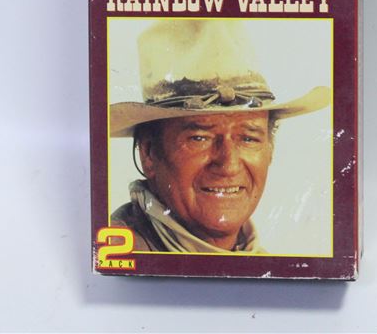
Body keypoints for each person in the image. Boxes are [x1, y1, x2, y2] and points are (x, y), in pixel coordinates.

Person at [109, 19, 331, 253]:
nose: (229, 165)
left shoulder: (262, 259)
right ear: (148, 153)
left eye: (248, 138)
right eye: (199, 138)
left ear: (270, 149)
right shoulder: (121, 254)